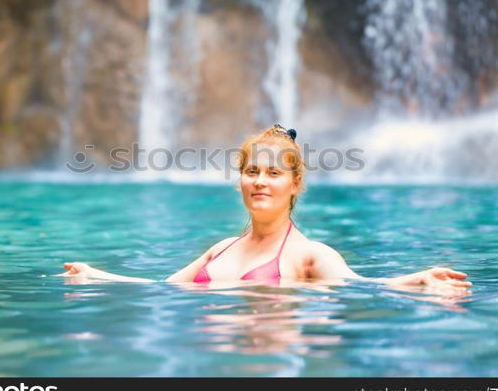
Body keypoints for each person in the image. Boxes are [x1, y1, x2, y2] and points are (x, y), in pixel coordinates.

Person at [58, 125, 471, 294]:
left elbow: (362, 285)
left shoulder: (310, 255)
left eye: (273, 173)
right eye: (251, 171)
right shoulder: (218, 250)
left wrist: (418, 280)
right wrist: (97, 275)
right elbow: (162, 289)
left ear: (295, 185)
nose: (259, 181)